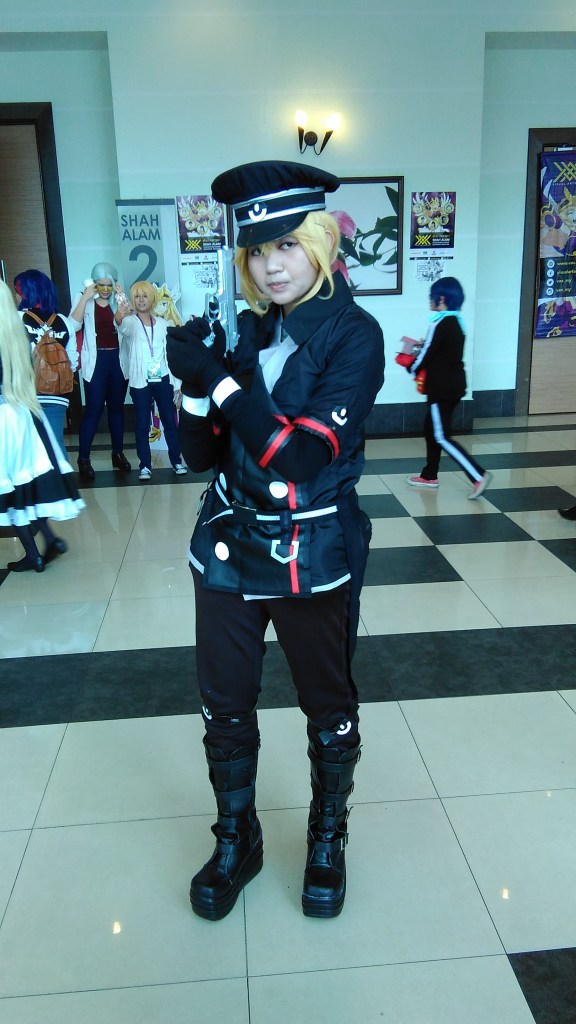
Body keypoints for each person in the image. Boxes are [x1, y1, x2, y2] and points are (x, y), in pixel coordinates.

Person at [166, 160, 385, 921]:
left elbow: (298, 459)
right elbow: (199, 455)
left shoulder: (355, 336)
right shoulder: (251, 327)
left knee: (328, 705)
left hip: (312, 548)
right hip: (228, 543)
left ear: (320, 242)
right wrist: (193, 385)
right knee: (224, 703)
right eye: (257, 251)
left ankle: (327, 835)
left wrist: (222, 383)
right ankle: (238, 836)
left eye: (287, 245)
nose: (271, 265)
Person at [0, 280, 85, 572]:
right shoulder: (17, 332)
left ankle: (34, 554)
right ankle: (49, 539)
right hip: (25, 412)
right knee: (26, 481)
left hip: (3, 417)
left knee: (11, 488)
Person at [399, 276, 492, 499]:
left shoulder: (439, 323)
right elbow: (441, 350)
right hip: (454, 385)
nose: (429, 300)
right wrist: (425, 347)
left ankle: (478, 475)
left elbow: (426, 355)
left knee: (441, 436)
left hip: (440, 388)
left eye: (431, 296)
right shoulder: (456, 321)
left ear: (441, 298)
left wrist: (409, 365)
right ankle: (429, 475)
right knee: (430, 428)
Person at [115, 280, 187, 480]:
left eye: (145, 295)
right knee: (142, 423)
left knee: (170, 421)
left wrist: (178, 383)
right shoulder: (131, 322)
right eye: (137, 296)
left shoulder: (163, 324)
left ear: (152, 298)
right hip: (140, 379)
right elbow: (122, 325)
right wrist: (120, 304)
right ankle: (145, 466)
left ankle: (176, 461)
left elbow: (170, 354)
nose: (141, 300)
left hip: (162, 377)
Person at [69, 262, 131, 480]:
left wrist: (121, 298)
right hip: (95, 363)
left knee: (116, 409)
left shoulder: (119, 299)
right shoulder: (84, 299)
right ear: (93, 283)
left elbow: (129, 327)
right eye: (100, 285)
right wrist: (85, 296)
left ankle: (118, 454)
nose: (105, 289)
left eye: (109, 285)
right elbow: (73, 326)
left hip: (117, 360)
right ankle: (83, 458)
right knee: (93, 409)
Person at [14, 268, 79, 455]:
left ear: (25, 293)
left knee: (28, 447)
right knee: (55, 443)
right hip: (57, 393)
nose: (16, 296)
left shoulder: (17, 319)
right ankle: (61, 473)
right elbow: (73, 362)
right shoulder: (64, 321)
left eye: (17, 291)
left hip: (25, 392)